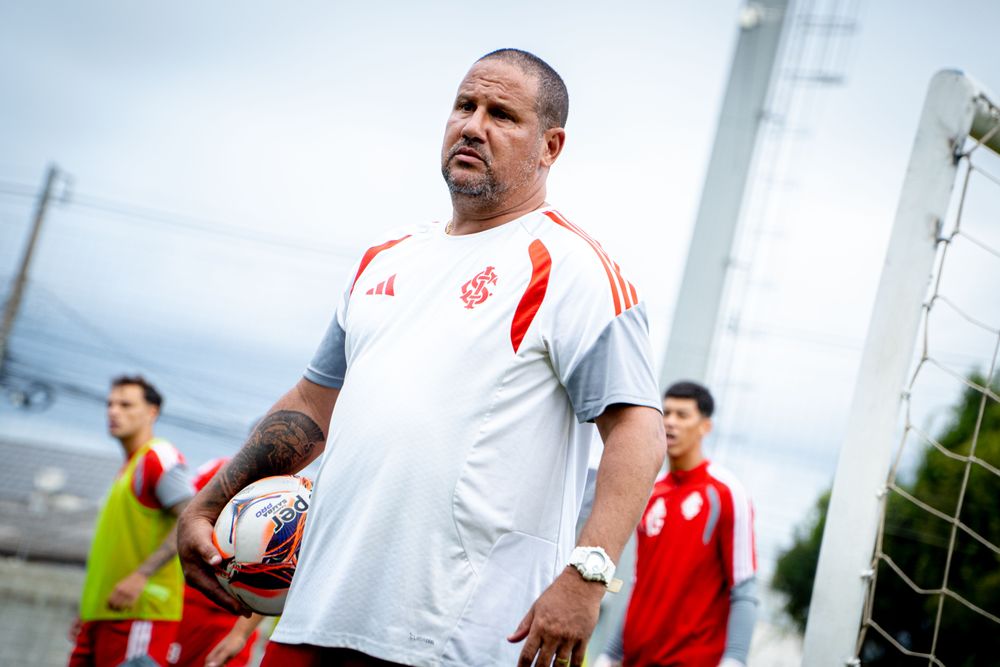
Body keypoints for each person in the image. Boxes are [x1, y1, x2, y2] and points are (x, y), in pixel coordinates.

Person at [177, 48, 665, 667]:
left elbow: (638, 432)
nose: (473, 125)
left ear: (551, 146)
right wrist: (210, 502)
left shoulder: (575, 269)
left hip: (460, 637)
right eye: (465, 106)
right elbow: (310, 405)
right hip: (316, 616)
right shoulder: (384, 260)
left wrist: (588, 574)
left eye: (502, 115)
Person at [598, 381, 758, 667]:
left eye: (682, 415)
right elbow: (641, 584)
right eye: (666, 413)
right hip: (633, 660)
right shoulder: (650, 493)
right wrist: (610, 654)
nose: (670, 422)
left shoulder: (726, 492)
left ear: (705, 426)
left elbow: (744, 590)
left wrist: (735, 660)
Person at [69, 376, 195, 667]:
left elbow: (191, 518)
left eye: (126, 404)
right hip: (101, 616)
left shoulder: (158, 457)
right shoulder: (129, 466)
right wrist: (88, 611)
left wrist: (141, 575)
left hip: (140, 615)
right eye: (110, 404)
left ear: (152, 412)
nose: (113, 411)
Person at [167, 457, 264, 667]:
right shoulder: (221, 471)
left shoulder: (288, 494)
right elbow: (182, 520)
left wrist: (240, 634)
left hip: (236, 618)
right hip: (189, 604)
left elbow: (282, 578)